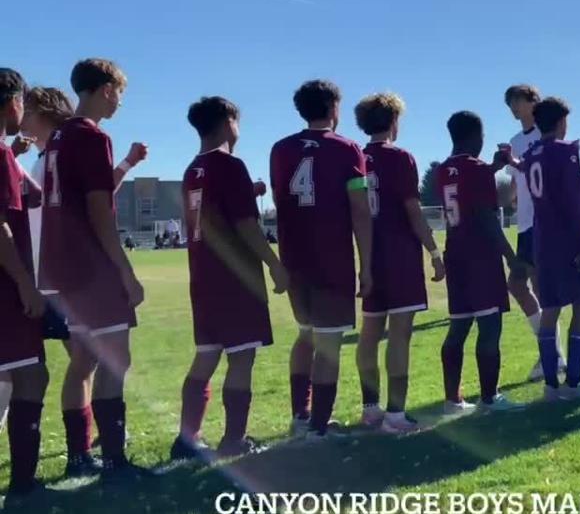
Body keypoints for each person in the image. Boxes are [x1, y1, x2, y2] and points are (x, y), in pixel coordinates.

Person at [19, 84, 146, 474]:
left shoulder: (51, 152)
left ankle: (83, 453)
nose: (21, 118)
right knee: (98, 361)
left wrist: (124, 165)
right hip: (75, 271)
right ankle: (106, 454)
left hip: (55, 274)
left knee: (84, 362)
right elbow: (96, 205)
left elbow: (97, 192)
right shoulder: (64, 148)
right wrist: (124, 269)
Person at [172, 96, 288, 460]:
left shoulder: (193, 169)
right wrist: (274, 263)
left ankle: (187, 439)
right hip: (235, 277)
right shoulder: (230, 165)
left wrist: (248, 193)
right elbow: (246, 226)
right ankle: (234, 439)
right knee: (241, 359)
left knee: (206, 356)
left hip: (203, 276)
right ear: (228, 122)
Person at [269, 79, 373, 439]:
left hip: (295, 258)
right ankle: (318, 427)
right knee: (328, 344)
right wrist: (367, 265)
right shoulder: (348, 149)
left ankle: (301, 415)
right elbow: (360, 211)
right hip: (332, 258)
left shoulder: (280, 150)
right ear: (333, 108)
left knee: (306, 336)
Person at [355, 92, 446, 434]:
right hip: (400, 256)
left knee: (370, 334)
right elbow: (412, 211)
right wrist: (434, 252)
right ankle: (395, 415)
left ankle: (370, 408)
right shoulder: (401, 157)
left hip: (369, 254)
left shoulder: (358, 156)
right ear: (394, 120)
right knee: (399, 336)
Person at [437, 111, 524, 412]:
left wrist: (492, 168)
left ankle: (452, 399)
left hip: (455, 254)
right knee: (489, 328)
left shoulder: (443, 170)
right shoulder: (477, 170)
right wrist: (513, 259)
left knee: (458, 327)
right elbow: (486, 217)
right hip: (481, 257)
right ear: (477, 136)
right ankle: (490, 397)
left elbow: (465, 192)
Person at [520, 97, 580, 400]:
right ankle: (573, 383)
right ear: (560, 122)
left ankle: (550, 386)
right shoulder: (566, 152)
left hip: (542, 241)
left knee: (551, 309)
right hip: (568, 242)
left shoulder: (531, 155)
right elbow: (574, 204)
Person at [0, 68, 49, 501]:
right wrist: (23, 283)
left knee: (18, 378)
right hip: (5, 290)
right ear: (13, 102)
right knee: (30, 376)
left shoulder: (4, 155)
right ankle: (23, 487)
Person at [499, 84, 563, 382]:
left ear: (532, 102)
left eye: (518, 101)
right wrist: (506, 200)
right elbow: (514, 184)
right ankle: (550, 349)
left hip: (543, 223)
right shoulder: (514, 141)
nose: (514, 107)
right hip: (524, 223)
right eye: (510, 103)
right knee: (516, 285)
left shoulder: (545, 134)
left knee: (540, 288)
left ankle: (552, 354)